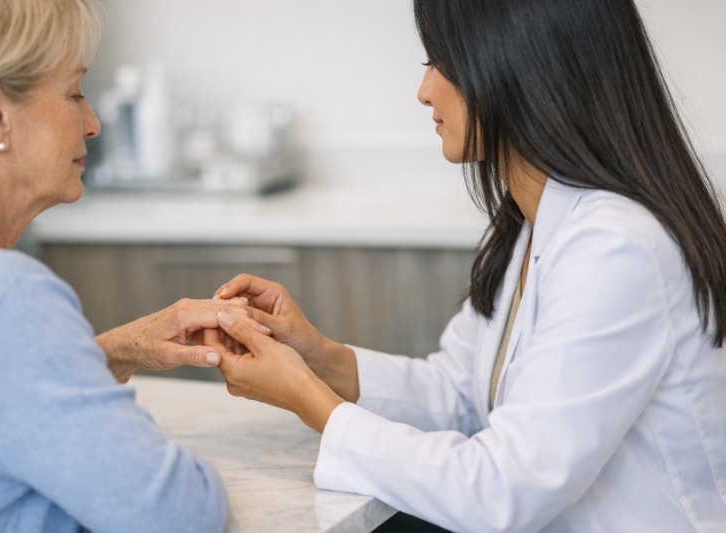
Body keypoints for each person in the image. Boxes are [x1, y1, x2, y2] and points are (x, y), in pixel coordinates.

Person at [206, 0, 726, 531]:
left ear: (520, 65)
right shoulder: (535, 225)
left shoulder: (617, 249)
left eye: (440, 62)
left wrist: (305, 396)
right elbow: (460, 395)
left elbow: (502, 490)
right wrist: (317, 357)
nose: (425, 90)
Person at [0, 1, 268, 531]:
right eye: (74, 93)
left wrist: (101, 353)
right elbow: (178, 514)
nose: (92, 124)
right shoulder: (2, 299)